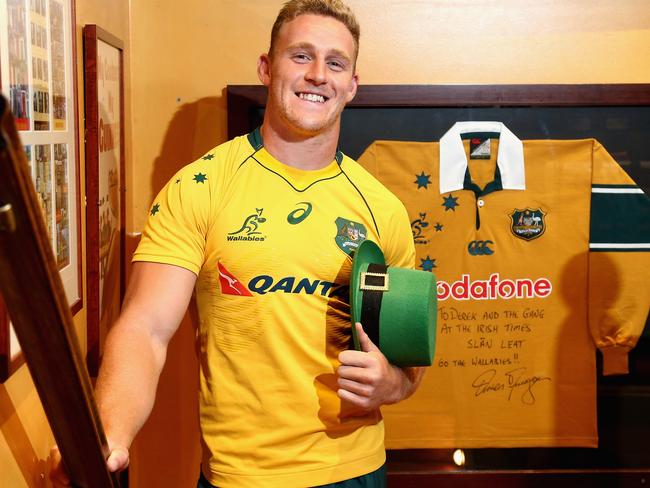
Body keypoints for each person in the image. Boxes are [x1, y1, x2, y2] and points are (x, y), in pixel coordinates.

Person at [51, 1, 424, 486]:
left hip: (354, 472)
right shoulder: (201, 186)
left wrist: (390, 385)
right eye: (301, 56)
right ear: (267, 68)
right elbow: (146, 327)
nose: (317, 75)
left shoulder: (382, 208)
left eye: (335, 63)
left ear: (351, 85)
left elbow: (410, 355)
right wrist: (109, 436)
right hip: (240, 476)